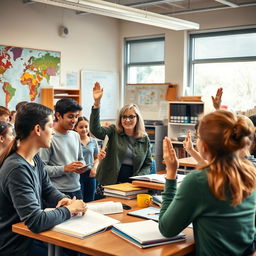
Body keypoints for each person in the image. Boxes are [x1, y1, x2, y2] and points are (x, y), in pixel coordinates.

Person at [159, 110, 256, 255]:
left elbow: (167, 229)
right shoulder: (250, 173)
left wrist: (171, 174)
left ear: (204, 146)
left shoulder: (199, 180)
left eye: (198, 137)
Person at [0, 103, 86, 256]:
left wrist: (64, 199)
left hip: (30, 238)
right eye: (50, 126)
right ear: (38, 129)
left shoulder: (35, 158)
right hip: (17, 245)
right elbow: (35, 221)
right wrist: (69, 210)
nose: (53, 131)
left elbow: (47, 188)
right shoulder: (17, 168)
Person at [90, 82, 152, 186]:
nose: (127, 120)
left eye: (131, 117)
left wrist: (140, 177)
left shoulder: (144, 138)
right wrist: (97, 103)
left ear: (137, 118)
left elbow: (148, 164)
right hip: (110, 181)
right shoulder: (113, 131)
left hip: (133, 183)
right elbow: (95, 130)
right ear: (120, 119)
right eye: (124, 117)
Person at [40, 98, 86, 200]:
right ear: (58, 116)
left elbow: (80, 158)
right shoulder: (49, 137)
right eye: (70, 116)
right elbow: (42, 169)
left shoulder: (75, 135)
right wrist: (65, 168)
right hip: (56, 192)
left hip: (77, 189)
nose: (74, 120)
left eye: (76, 116)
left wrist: (81, 165)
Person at [74, 116, 99, 202]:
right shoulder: (73, 141)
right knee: (80, 200)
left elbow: (96, 158)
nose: (84, 129)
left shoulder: (93, 141)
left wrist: (94, 168)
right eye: (81, 127)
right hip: (77, 174)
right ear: (75, 128)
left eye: (86, 127)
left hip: (91, 174)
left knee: (91, 200)